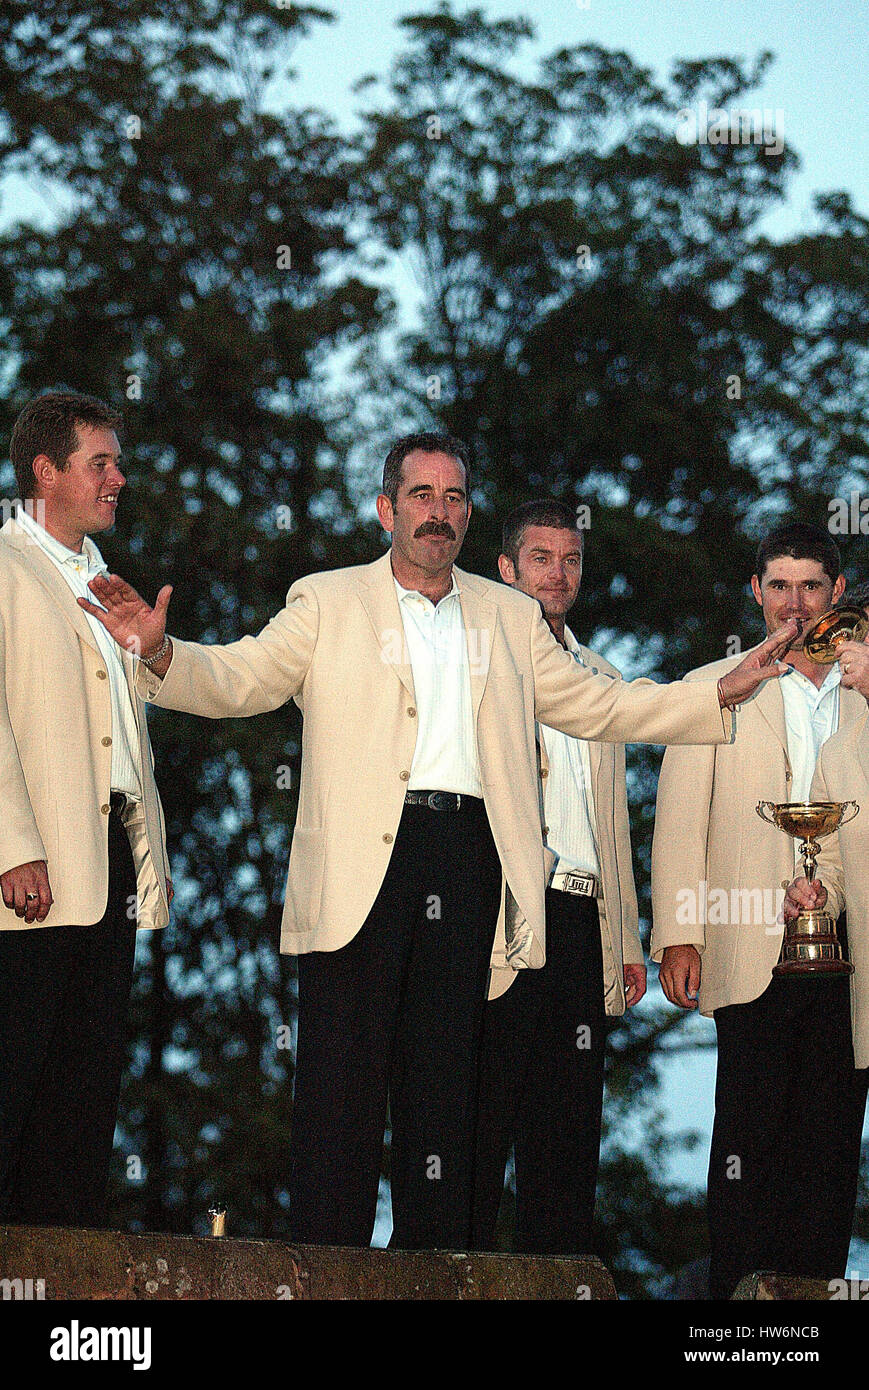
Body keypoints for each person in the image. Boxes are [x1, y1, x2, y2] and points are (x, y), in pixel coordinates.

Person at [79, 431, 793, 1251]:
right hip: (360, 868)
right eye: (420, 496)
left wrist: (720, 691)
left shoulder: (510, 616)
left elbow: (603, 707)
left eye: (453, 498)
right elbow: (242, 678)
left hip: (471, 866)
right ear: (387, 509)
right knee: (339, 1090)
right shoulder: (327, 599)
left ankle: (431, 1270)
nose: (437, 513)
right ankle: (328, 1268)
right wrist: (162, 650)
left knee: (443, 1090)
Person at [651, 521, 866, 1298]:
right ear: (755, 591)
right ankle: (740, 1307)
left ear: (836, 594)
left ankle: (812, 1302)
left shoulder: (864, 693)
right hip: (746, 942)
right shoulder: (713, 685)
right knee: (747, 1135)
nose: (794, 603)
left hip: (850, 948)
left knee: (832, 1139)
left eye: (810, 585)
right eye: (778, 585)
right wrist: (676, 932)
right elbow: (679, 819)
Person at [0, 391, 172, 1227]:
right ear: (45, 471)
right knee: (14, 1073)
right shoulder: (3, 561)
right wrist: (11, 845)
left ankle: (64, 1271)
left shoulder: (105, 578)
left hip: (107, 858)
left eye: (116, 462)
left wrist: (147, 649)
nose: (119, 478)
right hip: (29, 863)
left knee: (81, 1086)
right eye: (100, 462)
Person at [472, 499, 645, 1256]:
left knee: (570, 1121)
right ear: (506, 569)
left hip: (581, 918)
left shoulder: (602, 675)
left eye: (570, 559)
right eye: (540, 558)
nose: (557, 573)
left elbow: (612, 822)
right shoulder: (474, 659)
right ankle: (460, 1275)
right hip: (499, 913)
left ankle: (562, 1276)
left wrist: (627, 938)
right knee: (479, 1115)